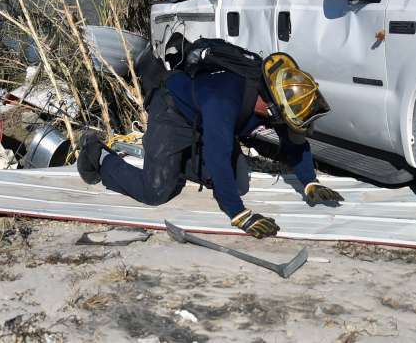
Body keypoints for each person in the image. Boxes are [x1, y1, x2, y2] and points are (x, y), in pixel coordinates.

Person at [77, 38, 343, 239]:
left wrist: (309, 182)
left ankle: (175, 162)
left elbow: (293, 139)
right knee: (156, 191)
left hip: (206, 120)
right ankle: (96, 153)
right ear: (271, 106)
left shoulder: (273, 94)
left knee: (236, 183)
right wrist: (239, 214)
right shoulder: (224, 100)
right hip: (173, 110)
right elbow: (218, 155)